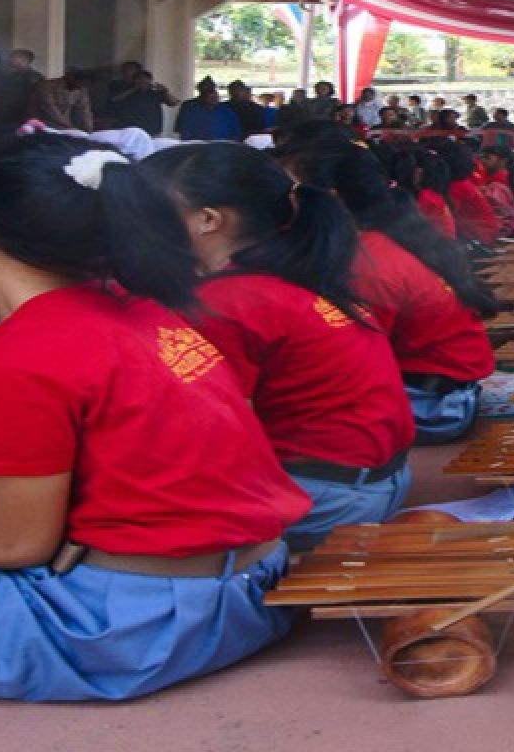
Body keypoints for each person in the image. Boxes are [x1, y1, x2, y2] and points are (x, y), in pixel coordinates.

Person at [0, 132, 310, 701]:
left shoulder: (24, 352)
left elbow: (17, 547)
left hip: (127, 628)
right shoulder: (146, 312)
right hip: (250, 596)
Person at [140, 142, 414, 550]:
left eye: (144, 209)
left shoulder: (223, 302)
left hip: (329, 500)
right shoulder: (292, 271)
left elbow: (219, 443)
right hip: (375, 481)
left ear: (208, 220)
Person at [284, 140, 499, 443]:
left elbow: (354, 366)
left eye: (291, 194)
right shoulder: (384, 236)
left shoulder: (368, 263)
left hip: (432, 406)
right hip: (442, 388)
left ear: (331, 198)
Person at [109, 69, 179, 136]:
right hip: (129, 128)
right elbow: (114, 100)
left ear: (150, 80)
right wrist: (133, 89)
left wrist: (165, 91)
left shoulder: (156, 92)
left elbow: (174, 103)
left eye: (145, 79)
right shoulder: (127, 91)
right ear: (134, 80)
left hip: (152, 128)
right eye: (139, 78)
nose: (142, 81)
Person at [174, 82, 240, 141]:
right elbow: (183, 132)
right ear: (202, 97)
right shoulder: (190, 109)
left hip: (221, 147)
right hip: (196, 146)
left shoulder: (227, 111)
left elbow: (235, 133)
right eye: (210, 98)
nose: (213, 100)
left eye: (215, 98)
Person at [0, 49, 43, 125]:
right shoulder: (10, 76)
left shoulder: (36, 78)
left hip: (26, 117)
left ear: (24, 60)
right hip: (8, 116)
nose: (10, 60)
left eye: (13, 57)